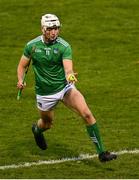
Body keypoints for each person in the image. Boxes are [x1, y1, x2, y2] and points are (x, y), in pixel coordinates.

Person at [17, 14, 117, 162]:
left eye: (56, 28)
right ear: (43, 29)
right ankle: (37, 130)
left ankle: (102, 153)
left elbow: (68, 69)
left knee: (87, 114)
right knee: (47, 124)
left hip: (65, 88)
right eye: (50, 29)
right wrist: (20, 80)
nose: (54, 32)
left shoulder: (64, 46)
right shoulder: (32, 46)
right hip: (45, 94)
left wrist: (70, 76)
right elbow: (22, 66)